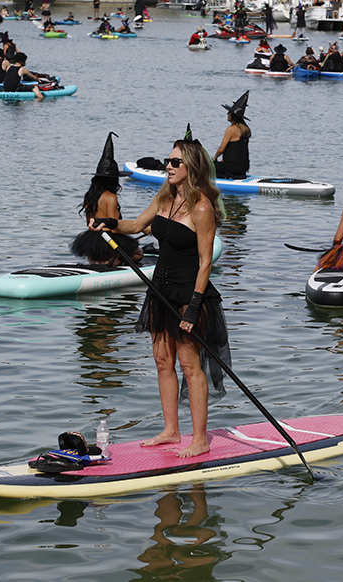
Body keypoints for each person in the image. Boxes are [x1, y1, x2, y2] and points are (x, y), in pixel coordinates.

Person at [94, 137, 230, 458]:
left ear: (192, 167)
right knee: (162, 361)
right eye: (167, 161)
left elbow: (206, 261)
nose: (167, 166)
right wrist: (109, 224)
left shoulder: (201, 208)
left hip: (189, 295)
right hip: (160, 289)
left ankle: (200, 439)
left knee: (189, 365)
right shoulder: (164, 197)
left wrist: (194, 308)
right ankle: (171, 430)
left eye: (174, 162)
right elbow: (136, 225)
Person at [69, 131, 142, 267]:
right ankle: (115, 258)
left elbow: (89, 224)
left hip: (93, 245)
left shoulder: (89, 196)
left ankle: (101, 259)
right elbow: (115, 227)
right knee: (139, 254)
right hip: (109, 243)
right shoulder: (111, 197)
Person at [213, 91, 252, 179]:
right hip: (243, 168)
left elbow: (221, 149)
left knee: (207, 167)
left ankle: (225, 176)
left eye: (229, 112)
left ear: (233, 115)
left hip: (232, 168)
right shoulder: (246, 129)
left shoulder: (231, 129)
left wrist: (214, 158)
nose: (227, 114)